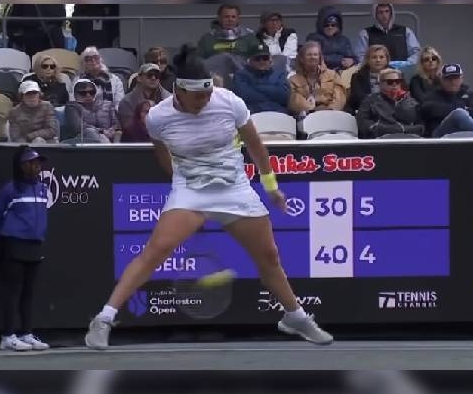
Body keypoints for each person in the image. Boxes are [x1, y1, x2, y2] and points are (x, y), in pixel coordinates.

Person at [84, 45, 333, 350]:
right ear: (179, 91)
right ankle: (104, 319)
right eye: (198, 96)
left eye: (207, 94)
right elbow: (163, 156)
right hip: (190, 189)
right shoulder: (158, 117)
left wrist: (270, 186)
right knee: (156, 251)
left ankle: (295, 317)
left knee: (269, 257)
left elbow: (256, 146)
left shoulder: (230, 102)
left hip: (235, 187)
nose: (205, 100)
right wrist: (181, 187)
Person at [0, 146, 51, 352]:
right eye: (32, 162)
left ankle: (26, 333)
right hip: (14, 244)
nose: (37, 166)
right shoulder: (9, 190)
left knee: (29, 292)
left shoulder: (42, 189)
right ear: (21, 166)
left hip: (35, 245)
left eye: (38, 162)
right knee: (13, 292)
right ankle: (7, 336)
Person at [420, 63, 473, 138]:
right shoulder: (432, 95)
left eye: (455, 78)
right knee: (459, 114)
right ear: (442, 80)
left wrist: (444, 109)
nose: (452, 82)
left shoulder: (471, 94)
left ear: (461, 79)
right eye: (448, 79)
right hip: (441, 135)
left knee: (464, 116)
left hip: (467, 133)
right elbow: (428, 110)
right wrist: (462, 109)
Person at [356, 69, 424, 138]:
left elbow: (420, 126)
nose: (394, 84)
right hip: (381, 139)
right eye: (390, 82)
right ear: (381, 84)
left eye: (397, 81)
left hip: (409, 138)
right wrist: (399, 129)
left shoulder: (409, 101)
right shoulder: (370, 101)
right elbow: (363, 123)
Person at [232, 42, 290, 114]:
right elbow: (244, 96)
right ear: (250, 61)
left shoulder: (279, 74)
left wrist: (256, 87)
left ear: (270, 60)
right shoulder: (241, 75)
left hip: (278, 113)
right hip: (252, 114)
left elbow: (284, 97)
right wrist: (272, 92)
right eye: (257, 59)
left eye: (265, 58)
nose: (261, 61)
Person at [117, 63, 170, 131]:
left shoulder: (169, 99)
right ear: (139, 78)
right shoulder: (127, 101)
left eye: (156, 75)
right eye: (149, 75)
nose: (153, 78)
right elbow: (128, 128)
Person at [304, 6, 356, 72]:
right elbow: (314, 58)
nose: (330, 27)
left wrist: (352, 61)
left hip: (342, 73)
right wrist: (339, 60)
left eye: (333, 25)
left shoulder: (344, 40)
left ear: (338, 26)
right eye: (326, 25)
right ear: (321, 25)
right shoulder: (313, 38)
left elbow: (352, 57)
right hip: (320, 73)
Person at [346, 44, 390, 115]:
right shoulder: (357, 77)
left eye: (381, 57)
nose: (378, 60)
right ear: (368, 60)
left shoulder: (395, 75)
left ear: (387, 60)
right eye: (374, 57)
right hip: (365, 111)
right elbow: (359, 98)